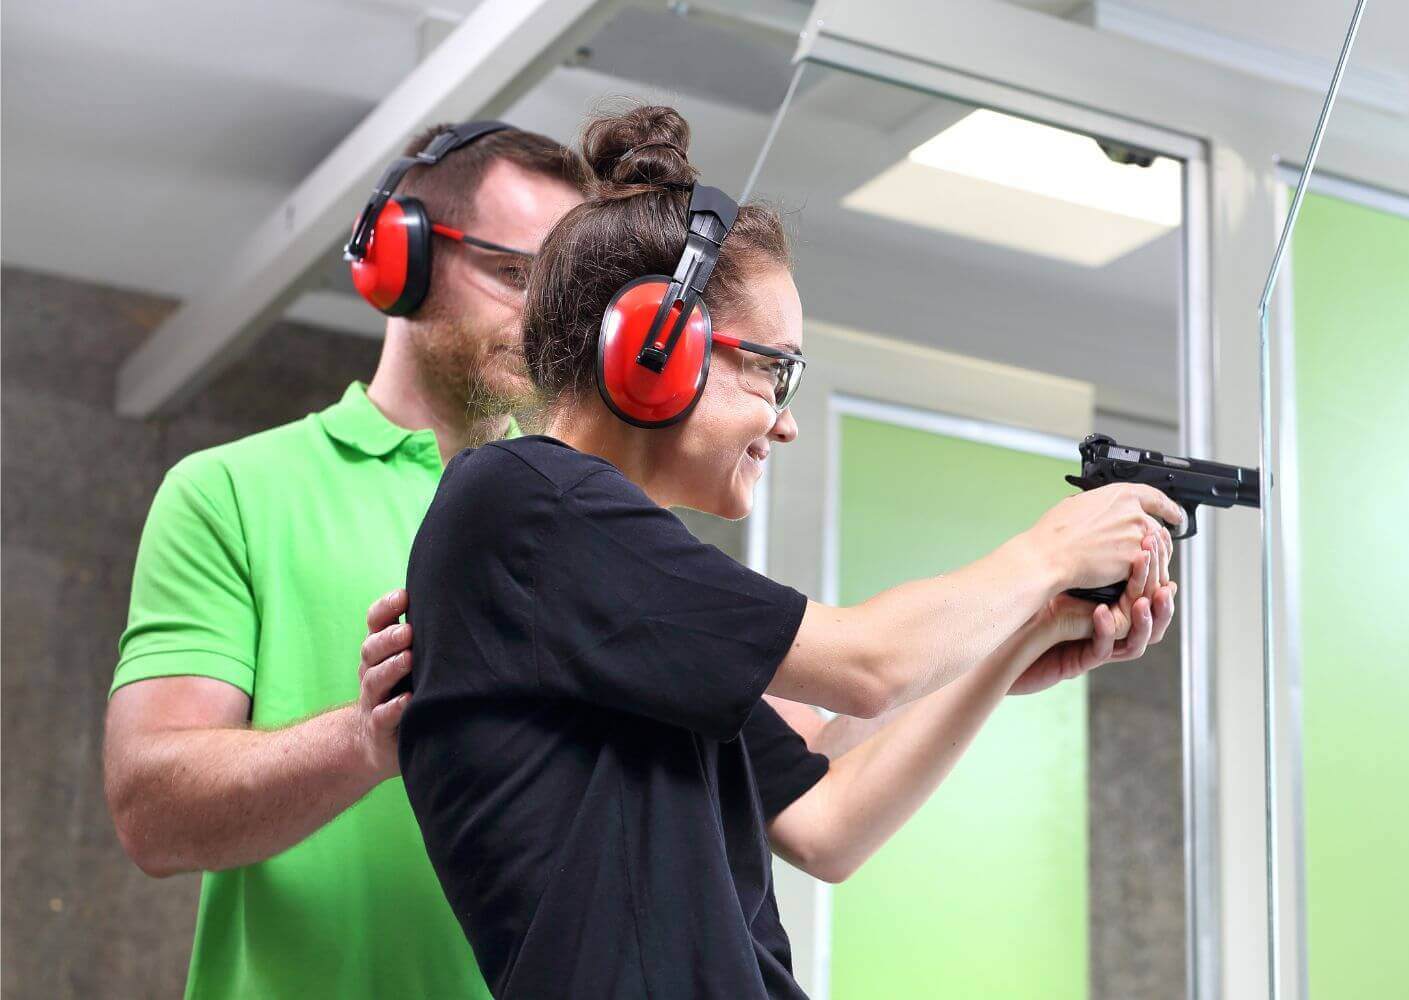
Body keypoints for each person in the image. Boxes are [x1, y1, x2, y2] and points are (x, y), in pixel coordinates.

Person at [398, 105, 1181, 999]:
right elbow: (867, 665)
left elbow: (828, 822)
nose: (786, 418)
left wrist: (1023, 636)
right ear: (660, 348)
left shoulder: (614, 593)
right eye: (772, 370)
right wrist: (1049, 551)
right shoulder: (527, 503)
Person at [103, 122, 585, 998]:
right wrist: (364, 741)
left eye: (565, 293)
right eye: (515, 274)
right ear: (398, 258)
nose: (543, 319)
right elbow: (150, 811)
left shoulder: (593, 521)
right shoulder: (231, 491)